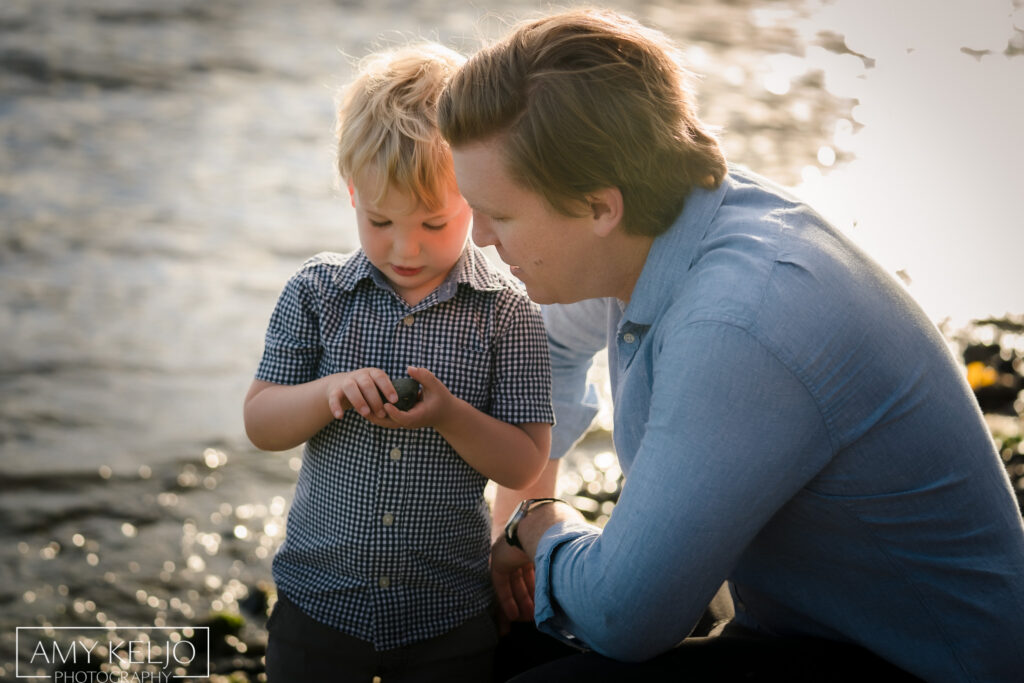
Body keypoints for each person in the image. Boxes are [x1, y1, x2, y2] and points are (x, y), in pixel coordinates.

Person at [438, 8, 1024, 682]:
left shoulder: (739, 321)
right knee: (491, 638)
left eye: (500, 214)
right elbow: (546, 355)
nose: (478, 237)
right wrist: (508, 526)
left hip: (924, 663)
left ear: (600, 207)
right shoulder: (654, 219)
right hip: (813, 628)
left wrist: (539, 528)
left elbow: (623, 618)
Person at [243, 42, 555, 682]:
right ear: (353, 193)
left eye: (435, 224)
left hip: (448, 615)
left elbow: (526, 458)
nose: (406, 247)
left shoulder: (507, 313)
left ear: (472, 195)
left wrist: (450, 415)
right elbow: (261, 423)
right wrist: (327, 391)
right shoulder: (316, 293)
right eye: (381, 219)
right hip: (319, 607)